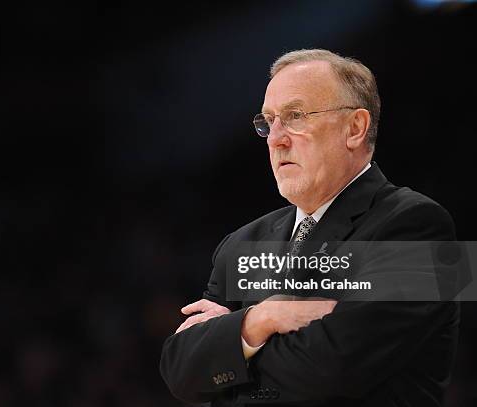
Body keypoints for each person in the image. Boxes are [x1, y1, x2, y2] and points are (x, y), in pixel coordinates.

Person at [160, 49, 459, 407]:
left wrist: (228, 359)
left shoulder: (421, 226)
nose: (275, 139)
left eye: (295, 116)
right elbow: (178, 370)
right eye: (269, 121)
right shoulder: (240, 243)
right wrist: (260, 318)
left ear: (355, 128)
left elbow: (336, 368)